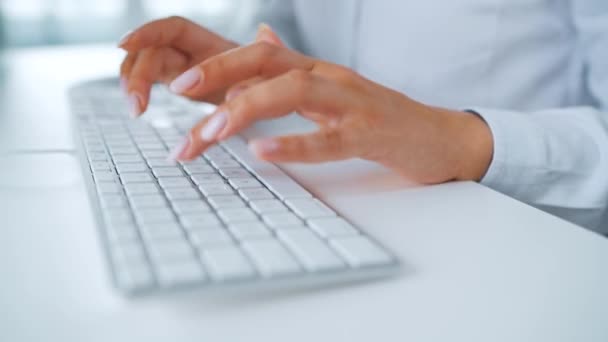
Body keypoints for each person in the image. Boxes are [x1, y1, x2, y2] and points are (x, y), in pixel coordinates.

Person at [117, 1, 608, 233]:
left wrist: (462, 141)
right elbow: (286, 31)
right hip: (317, 215)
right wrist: (245, 66)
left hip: (523, 242)